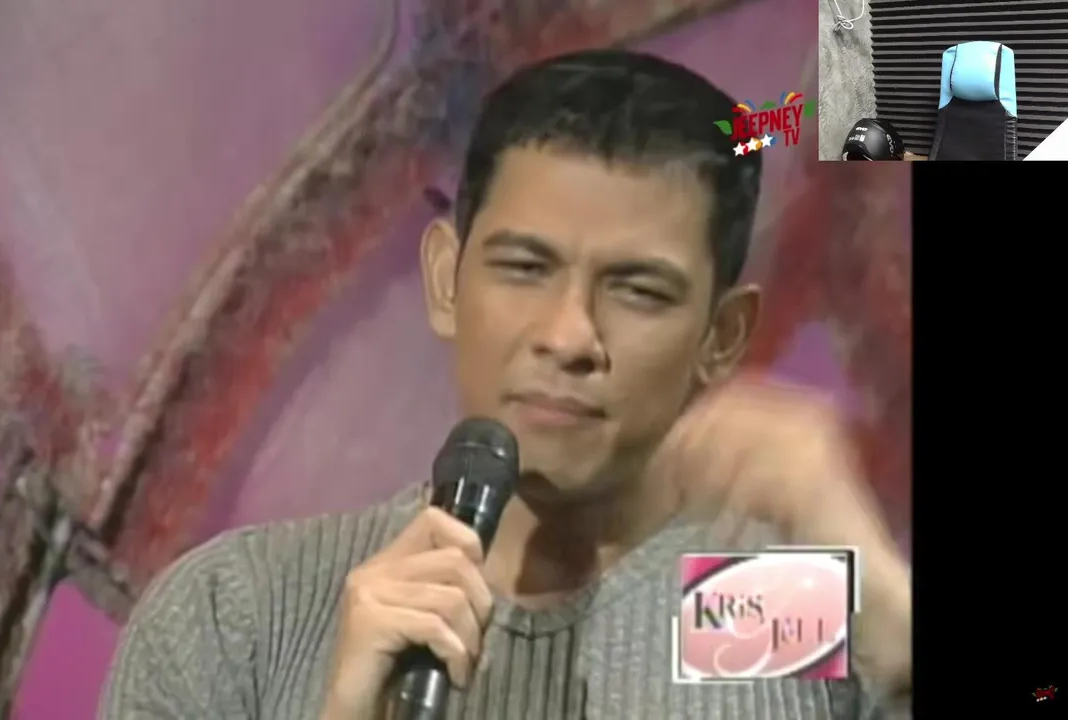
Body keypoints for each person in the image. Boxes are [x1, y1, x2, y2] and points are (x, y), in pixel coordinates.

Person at [100, 49, 911, 719]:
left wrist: (880, 594)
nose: (569, 335)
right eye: (524, 268)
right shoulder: (238, 614)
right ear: (446, 280)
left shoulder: (786, 613)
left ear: (722, 334)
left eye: (638, 290)